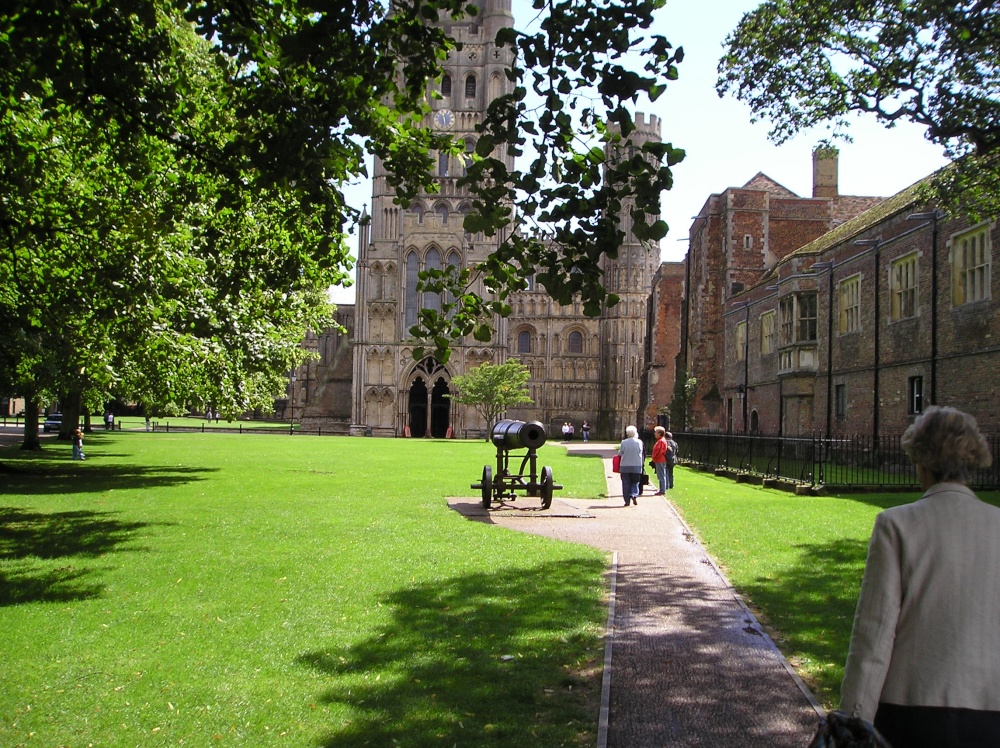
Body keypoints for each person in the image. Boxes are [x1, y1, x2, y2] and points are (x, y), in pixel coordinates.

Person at [840, 406, 1000, 747]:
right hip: (989, 715)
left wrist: (853, 722)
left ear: (922, 461)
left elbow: (874, 634)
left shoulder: (896, 524)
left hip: (909, 711)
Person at [617, 425, 644, 506]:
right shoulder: (639, 442)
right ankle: (634, 494)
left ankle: (627, 501)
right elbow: (640, 452)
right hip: (636, 465)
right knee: (635, 482)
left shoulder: (624, 442)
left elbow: (620, 453)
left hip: (625, 465)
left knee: (626, 483)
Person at [651, 426, 669, 495]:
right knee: (661, 474)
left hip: (660, 459)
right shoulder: (661, 440)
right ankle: (662, 489)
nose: (654, 434)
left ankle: (662, 490)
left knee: (661, 475)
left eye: (655, 432)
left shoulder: (661, 441)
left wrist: (654, 457)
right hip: (660, 459)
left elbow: (659, 451)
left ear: (659, 433)